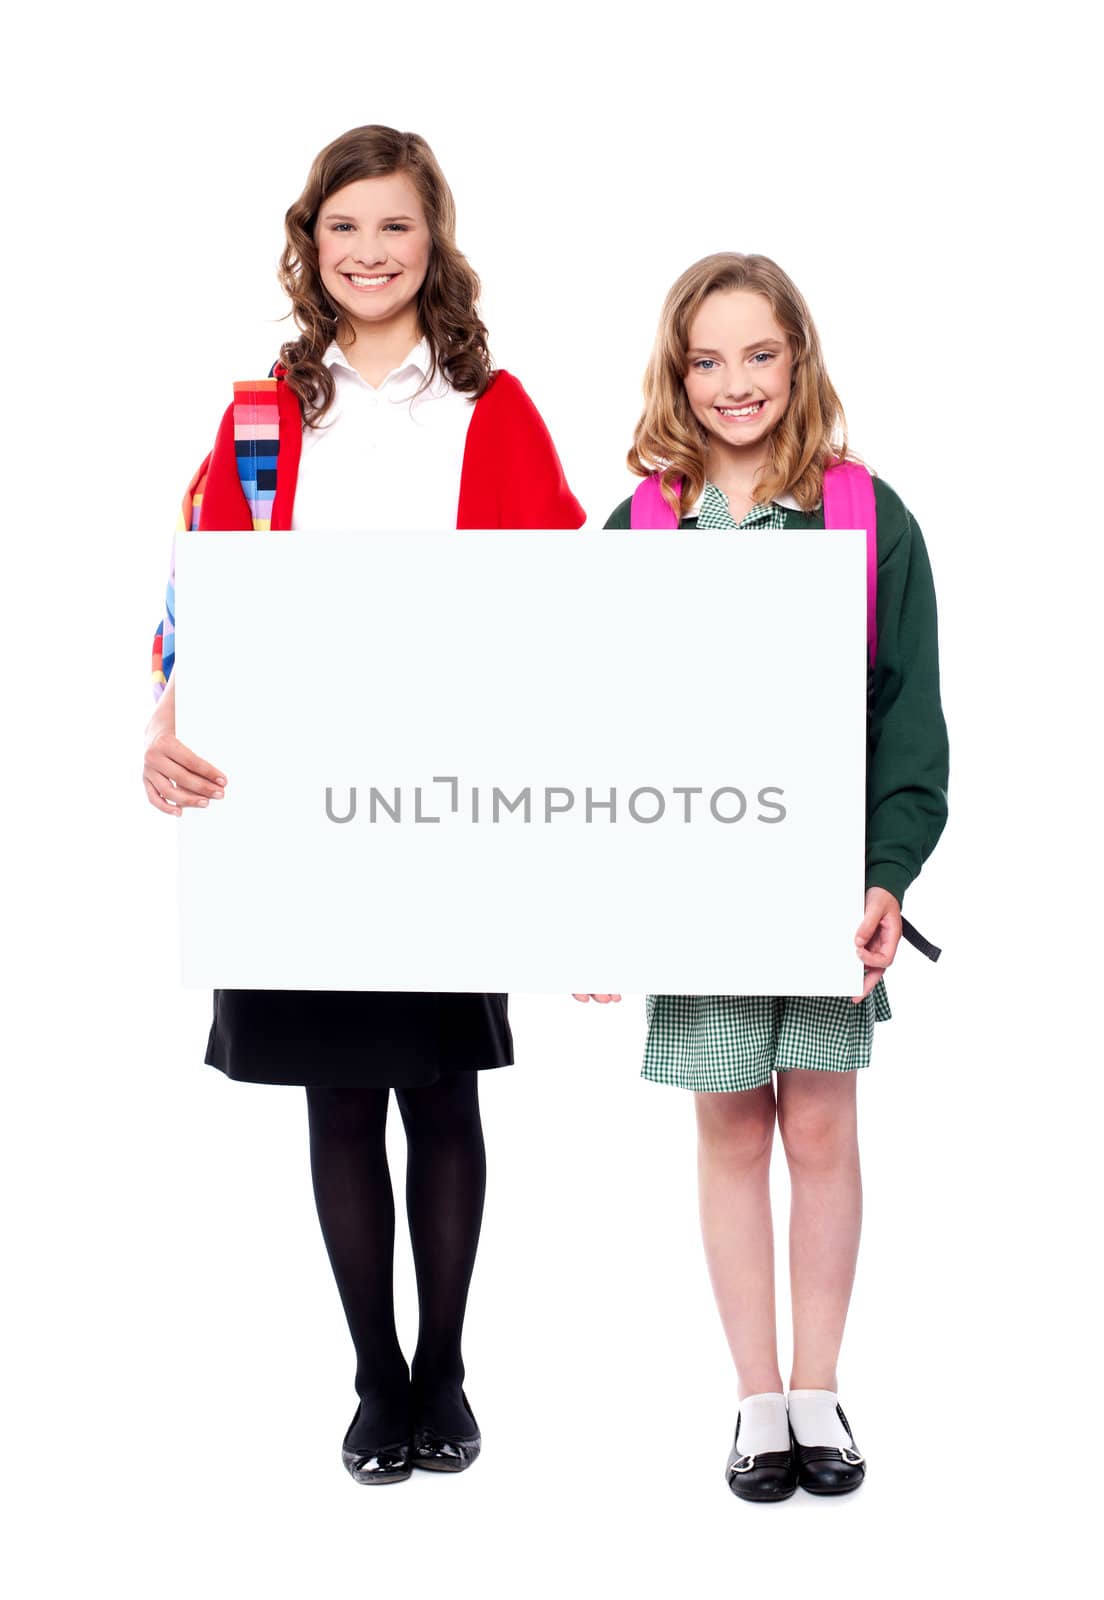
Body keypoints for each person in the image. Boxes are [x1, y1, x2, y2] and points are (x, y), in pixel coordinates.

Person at [143, 125, 587, 1486]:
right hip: (289, 805)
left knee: (441, 1086)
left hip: (436, 798)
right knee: (336, 1094)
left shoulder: (486, 405)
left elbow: (567, 593)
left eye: (394, 227)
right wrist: (163, 719)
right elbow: (199, 577)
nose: (369, 252)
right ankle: (374, 1380)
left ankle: (445, 1369)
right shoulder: (270, 407)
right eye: (345, 228)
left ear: (430, 240)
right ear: (312, 242)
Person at [593, 252, 948, 1501]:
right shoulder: (641, 528)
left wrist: (890, 873)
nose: (733, 382)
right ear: (674, 371)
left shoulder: (862, 514)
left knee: (823, 1124)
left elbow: (909, 715)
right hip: (696, 895)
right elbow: (590, 725)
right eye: (706, 358)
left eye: (758, 353)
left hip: (823, 891)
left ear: (797, 357)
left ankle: (819, 1387)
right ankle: (754, 1399)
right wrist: (591, 900)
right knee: (731, 1123)